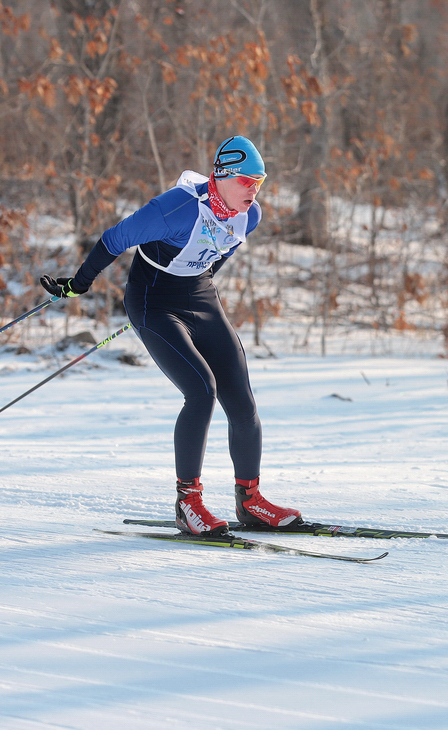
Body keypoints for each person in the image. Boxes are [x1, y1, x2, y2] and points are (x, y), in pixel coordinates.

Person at [40, 136, 302, 536]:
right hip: (154, 302)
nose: (254, 190)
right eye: (247, 181)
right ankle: (188, 504)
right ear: (222, 177)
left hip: (200, 298)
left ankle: (250, 501)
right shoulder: (175, 209)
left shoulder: (250, 216)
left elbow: (217, 255)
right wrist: (78, 284)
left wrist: (196, 283)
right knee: (201, 391)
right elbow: (114, 239)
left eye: (260, 182)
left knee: (241, 398)